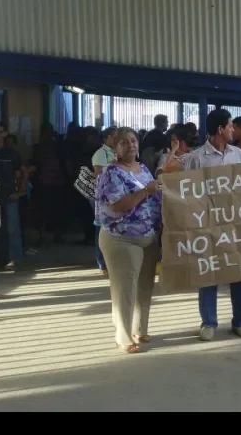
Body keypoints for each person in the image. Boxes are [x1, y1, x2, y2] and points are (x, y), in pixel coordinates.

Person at [185, 109, 241, 341]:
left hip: (235, 222)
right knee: (208, 272)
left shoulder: (238, 154)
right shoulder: (196, 158)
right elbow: (187, 192)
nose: (234, 130)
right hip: (207, 224)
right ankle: (209, 322)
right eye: (231, 126)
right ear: (220, 129)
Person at [95, 128, 162, 353]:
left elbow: (156, 195)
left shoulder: (143, 168)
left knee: (145, 285)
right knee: (125, 288)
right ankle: (123, 336)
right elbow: (117, 205)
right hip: (121, 238)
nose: (131, 145)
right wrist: (146, 191)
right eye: (124, 142)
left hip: (148, 236)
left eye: (133, 141)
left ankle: (139, 329)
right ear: (115, 148)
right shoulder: (111, 172)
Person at [0, 121, 26, 270]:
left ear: (5, 134)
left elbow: (23, 171)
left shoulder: (12, 152)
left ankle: (14, 258)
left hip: (10, 195)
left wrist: (20, 191)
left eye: (1, 132)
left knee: (12, 228)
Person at [91, 126, 118, 276]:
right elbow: (98, 174)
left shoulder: (116, 152)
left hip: (116, 195)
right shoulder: (100, 154)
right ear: (106, 138)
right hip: (104, 196)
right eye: (114, 136)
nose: (116, 139)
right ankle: (102, 263)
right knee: (102, 228)